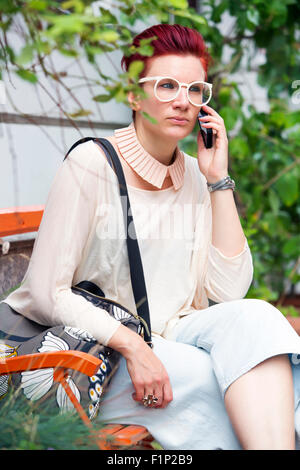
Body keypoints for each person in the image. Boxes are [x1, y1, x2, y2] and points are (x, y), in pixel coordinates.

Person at [1, 23, 300, 450]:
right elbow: (47, 291)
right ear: (133, 95)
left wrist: (218, 180)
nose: (183, 101)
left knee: (262, 323)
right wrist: (135, 348)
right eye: (166, 86)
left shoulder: (198, 176)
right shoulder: (92, 165)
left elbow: (230, 291)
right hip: (102, 352)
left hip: (172, 337)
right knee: (215, 376)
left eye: (195, 89)